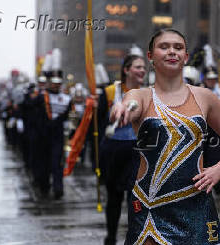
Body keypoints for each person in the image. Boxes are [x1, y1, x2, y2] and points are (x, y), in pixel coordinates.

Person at [111, 29, 220, 245]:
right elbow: (130, 104)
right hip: (150, 205)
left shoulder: (205, 97)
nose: (172, 51)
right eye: (164, 47)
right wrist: (123, 108)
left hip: (195, 204)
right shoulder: (141, 96)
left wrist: (219, 169)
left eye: (178, 47)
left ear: (186, 57)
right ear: (150, 56)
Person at [98, 54, 146, 245]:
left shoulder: (147, 94)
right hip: (114, 151)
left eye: (143, 67)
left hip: (138, 152)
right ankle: (110, 237)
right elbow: (100, 124)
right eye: (137, 67)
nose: (142, 70)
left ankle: (134, 238)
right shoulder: (110, 92)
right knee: (114, 197)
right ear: (126, 70)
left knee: (135, 199)